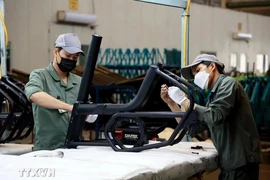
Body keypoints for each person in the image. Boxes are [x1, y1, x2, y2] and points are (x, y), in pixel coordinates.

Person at [160, 54, 262, 180]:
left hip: (241, 163)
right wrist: (171, 103)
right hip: (230, 164)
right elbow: (192, 129)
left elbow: (215, 116)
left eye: (198, 70)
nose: (196, 77)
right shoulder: (213, 98)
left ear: (212, 66)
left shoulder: (229, 84)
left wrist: (184, 101)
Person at [25, 33, 85, 151]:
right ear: (56, 52)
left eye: (75, 58)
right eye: (68, 55)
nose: (71, 60)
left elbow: (88, 107)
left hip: (75, 148)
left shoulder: (79, 82)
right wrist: (70, 107)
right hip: (47, 150)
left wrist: (90, 113)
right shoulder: (40, 76)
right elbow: (34, 94)